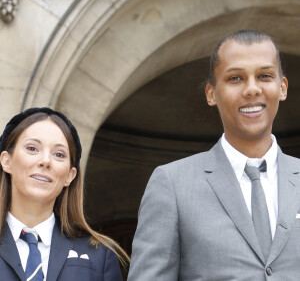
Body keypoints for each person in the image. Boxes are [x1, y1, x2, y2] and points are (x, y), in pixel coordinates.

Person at [128, 29, 300, 280]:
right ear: (211, 94)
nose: (252, 89)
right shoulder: (172, 183)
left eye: (264, 76)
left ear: (282, 88)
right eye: (235, 78)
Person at [0, 107, 129, 281]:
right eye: (32, 148)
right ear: (6, 161)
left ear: (70, 175)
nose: (45, 161)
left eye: (59, 154)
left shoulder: (99, 255)